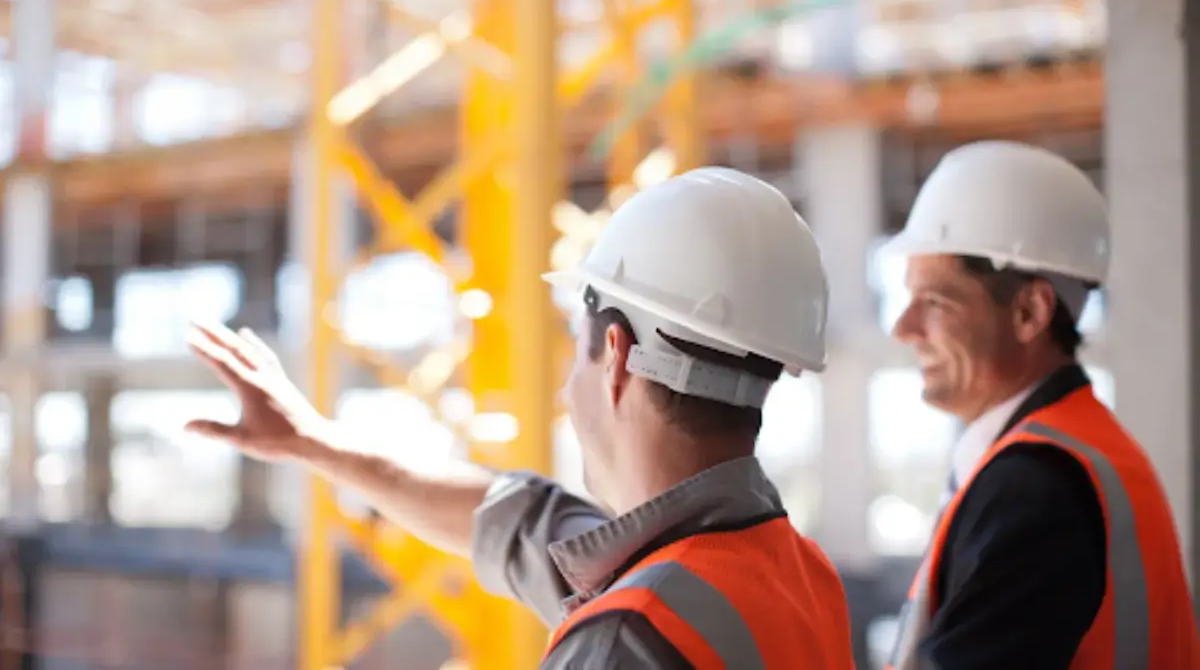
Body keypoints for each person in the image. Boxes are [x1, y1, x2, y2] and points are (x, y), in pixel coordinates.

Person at [186, 167, 856, 668]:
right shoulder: (792, 572)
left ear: (616, 356)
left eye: (576, 350)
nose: (568, 386)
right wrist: (316, 442)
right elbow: (520, 519)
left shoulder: (627, 637)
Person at [883, 141, 1199, 670]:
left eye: (934, 302)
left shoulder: (1034, 488)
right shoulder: (1086, 454)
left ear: (1029, 311)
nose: (903, 329)